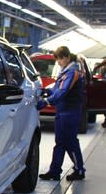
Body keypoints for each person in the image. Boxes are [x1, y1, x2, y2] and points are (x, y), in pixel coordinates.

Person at [37, 46, 86, 181]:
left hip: (70, 112)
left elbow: (63, 91)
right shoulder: (65, 72)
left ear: (67, 57)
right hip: (62, 111)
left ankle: (79, 170)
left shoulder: (72, 73)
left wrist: (47, 101)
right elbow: (57, 89)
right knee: (60, 143)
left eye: (60, 58)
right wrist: (46, 91)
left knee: (70, 142)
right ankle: (55, 171)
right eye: (57, 59)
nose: (58, 62)